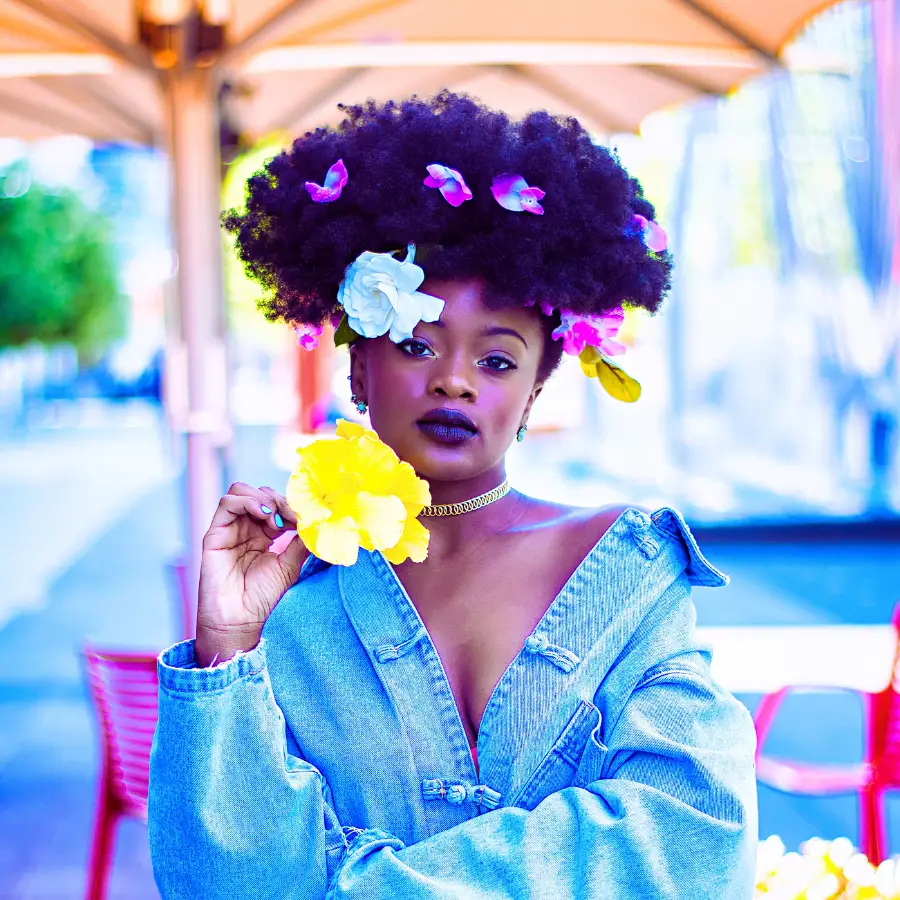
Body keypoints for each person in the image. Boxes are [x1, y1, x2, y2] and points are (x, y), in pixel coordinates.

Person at [148, 91, 758, 899]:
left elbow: (698, 840)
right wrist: (226, 648)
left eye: (498, 361)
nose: (454, 380)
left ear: (537, 389)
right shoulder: (287, 597)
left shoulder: (625, 571)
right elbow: (220, 885)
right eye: (414, 343)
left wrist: (346, 885)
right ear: (359, 368)